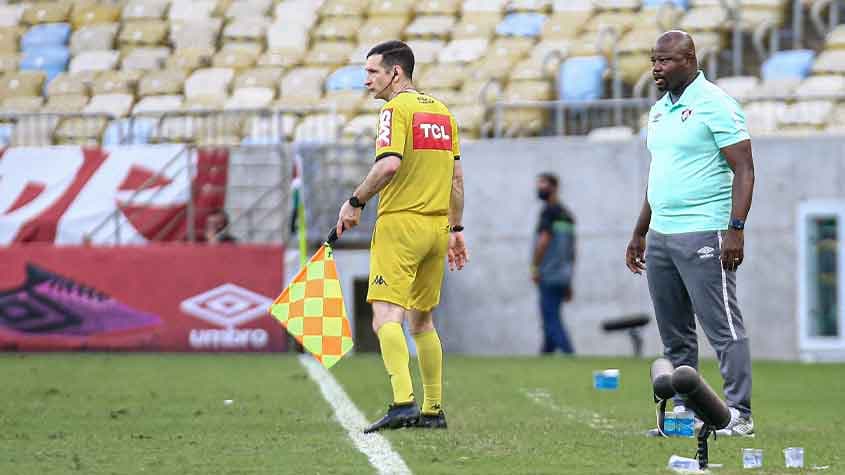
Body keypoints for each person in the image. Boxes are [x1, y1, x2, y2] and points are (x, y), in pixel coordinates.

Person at [625, 31, 756, 437]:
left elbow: (745, 170)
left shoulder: (715, 104)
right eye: (653, 60)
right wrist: (640, 231)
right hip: (662, 234)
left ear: (689, 58)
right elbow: (658, 174)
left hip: (705, 231)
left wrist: (735, 230)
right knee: (675, 332)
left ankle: (739, 413)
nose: (656, 69)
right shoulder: (659, 111)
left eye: (665, 61)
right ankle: (683, 412)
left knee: (722, 327)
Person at [334, 40, 469, 433]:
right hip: (436, 227)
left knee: (384, 315)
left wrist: (355, 201)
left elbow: (389, 165)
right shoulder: (443, 113)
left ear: (396, 73)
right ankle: (433, 410)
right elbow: (456, 180)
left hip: (401, 224)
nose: (366, 81)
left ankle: (401, 402)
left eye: (372, 72)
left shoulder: (395, 110)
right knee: (422, 321)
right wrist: (456, 229)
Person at [531, 172, 576, 355]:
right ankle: (546, 354)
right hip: (563, 275)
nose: (539, 188)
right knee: (550, 316)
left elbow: (543, 241)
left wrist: (534, 267)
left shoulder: (548, 213)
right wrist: (569, 279)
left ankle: (569, 353)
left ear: (554, 187)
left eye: (543, 184)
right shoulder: (567, 215)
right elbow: (572, 251)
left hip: (548, 274)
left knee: (550, 319)